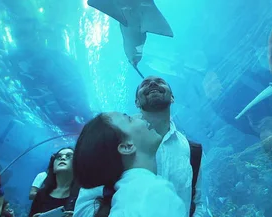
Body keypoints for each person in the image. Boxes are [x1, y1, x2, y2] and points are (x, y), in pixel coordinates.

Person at [75, 76, 208, 217]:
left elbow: (198, 202)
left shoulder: (192, 151)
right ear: (136, 102)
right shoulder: (110, 149)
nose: (152, 83)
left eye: (160, 82)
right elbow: (84, 208)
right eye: (144, 84)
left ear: (172, 97)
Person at [73, 112, 186, 217]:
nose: (140, 117)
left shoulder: (127, 199)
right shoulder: (152, 194)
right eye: (130, 119)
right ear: (127, 147)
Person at [29, 147, 79, 217]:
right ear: (53, 166)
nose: (63, 158)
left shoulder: (82, 194)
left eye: (69, 156)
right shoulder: (41, 194)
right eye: (58, 156)